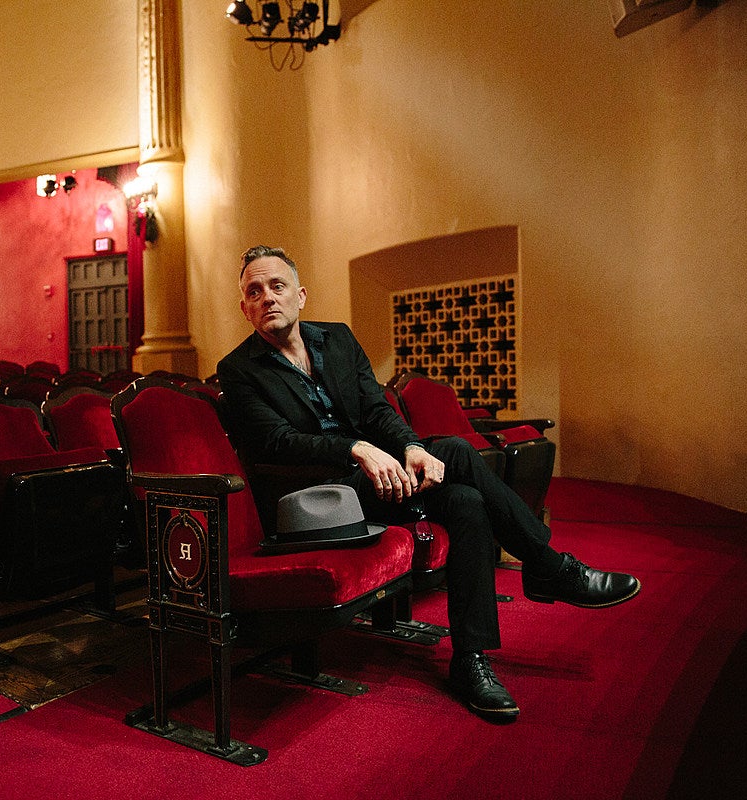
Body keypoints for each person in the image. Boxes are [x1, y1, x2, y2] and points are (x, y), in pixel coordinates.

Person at [217, 244, 640, 723]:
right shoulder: (238, 369)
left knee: (465, 502)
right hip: (320, 500)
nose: (268, 297)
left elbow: (377, 410)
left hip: (376, 478)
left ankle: (470, 659)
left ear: (301, 294)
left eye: (277, 286)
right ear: (245, 308)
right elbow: (278, 443)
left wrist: (412, 448)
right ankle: (549, 568)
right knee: (459, 451)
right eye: (255, 291)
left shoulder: (336, 339)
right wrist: (355, 449)